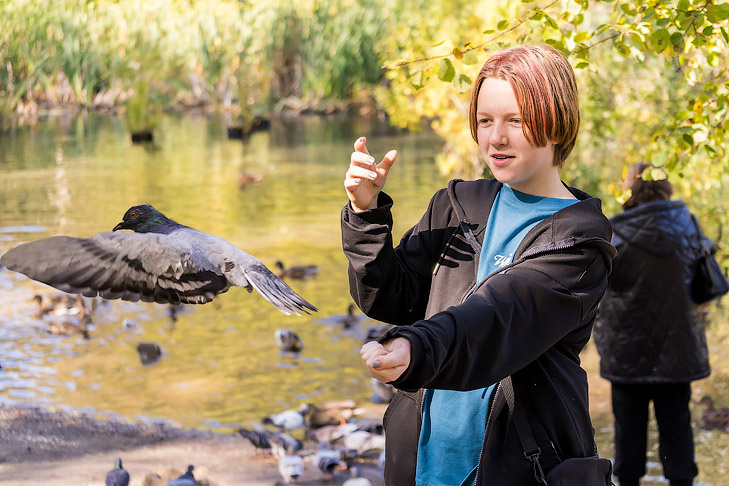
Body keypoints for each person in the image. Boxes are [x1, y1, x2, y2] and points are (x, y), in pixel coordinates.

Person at [341, 45, 617, 485]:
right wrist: (366, 213)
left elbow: (500, 317)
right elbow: (390, 297)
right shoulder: (458, 203)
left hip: (521, 466)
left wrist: (416, 348)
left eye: (516, 120)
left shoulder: (581, 241)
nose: (496, 138)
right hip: (420, 460)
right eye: (486, 121)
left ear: (557, 120)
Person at [593, 162, 711, 486]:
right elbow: (704, 289)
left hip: (625, 353)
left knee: (627, 443)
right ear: (666, 187)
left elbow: (595, 293)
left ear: (629, 188)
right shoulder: (688, 224)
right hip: (678, 351)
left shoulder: (612, 232)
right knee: (678, 433)